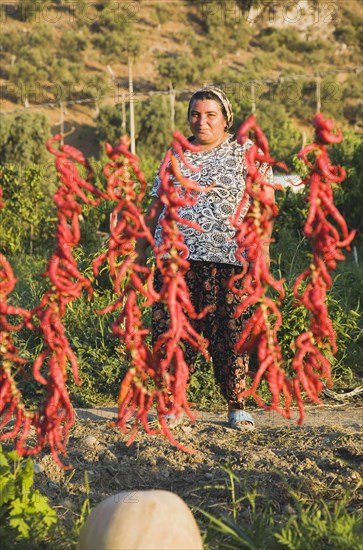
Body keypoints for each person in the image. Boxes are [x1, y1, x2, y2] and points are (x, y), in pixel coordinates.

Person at [135, 86, 274, 430]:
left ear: (226, 118)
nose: (202, 121)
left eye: (211, 114)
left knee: (232, 332)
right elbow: (157, 204)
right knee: (173, 332)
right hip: (176, 259)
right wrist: (140, 250)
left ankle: (236, 404)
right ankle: (172, 404)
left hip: (231, 257)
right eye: (196, 114)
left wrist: (264, 249)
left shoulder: (247, 153)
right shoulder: (175, 154)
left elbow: (265, 205)